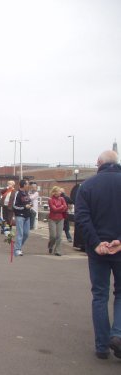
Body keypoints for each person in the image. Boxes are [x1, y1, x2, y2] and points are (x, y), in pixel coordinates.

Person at [75, 150, 121, 360]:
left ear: (99, 163)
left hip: (98, 250)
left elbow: (82, 218)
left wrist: (95, 243)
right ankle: (118, 334)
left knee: (100, 295)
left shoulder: (87, 186)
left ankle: (102, 346)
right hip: (119, 248)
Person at [13, 179, 31, 257]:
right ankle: (17, 249)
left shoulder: (26, 193)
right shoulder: (18, 193)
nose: (28, 185)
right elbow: (14, 205)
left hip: (27, 216)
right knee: (20, 233)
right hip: (20, 216)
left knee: (26, 234)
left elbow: (28, 201)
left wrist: (30, 204)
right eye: (27, 184)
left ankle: (18, 246)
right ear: (23, 185)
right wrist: (24, 207)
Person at [47, 186, 68, 256]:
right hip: (52, 219)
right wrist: (61, 207)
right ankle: (50, 245)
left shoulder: (62, 199)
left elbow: (65, 207)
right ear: (54, 192)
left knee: (59, 236)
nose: (60, 192)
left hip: (60, 218)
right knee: (53, 236)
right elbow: (54, 209)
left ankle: (57, 251)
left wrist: (59, 208)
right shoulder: (50, 200)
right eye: (59, 191)